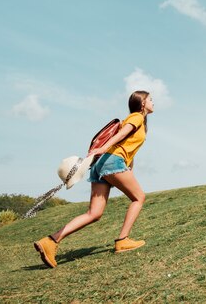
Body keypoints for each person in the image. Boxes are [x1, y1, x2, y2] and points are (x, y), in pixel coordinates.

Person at [33, 90, 154, 268]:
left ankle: (51, 241)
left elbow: (127, 145)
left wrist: (129, 168)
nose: (153, 102)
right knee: (139, 198)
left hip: (102, 164)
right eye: (150, 99)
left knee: (94, 213)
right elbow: (119, 136)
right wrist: (102, 148)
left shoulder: (137, 121)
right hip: (111, 160)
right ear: (142, 103)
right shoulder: (136, 117)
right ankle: (123, 240)